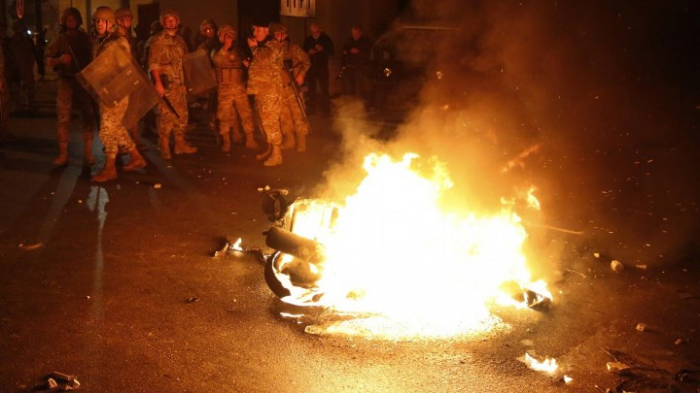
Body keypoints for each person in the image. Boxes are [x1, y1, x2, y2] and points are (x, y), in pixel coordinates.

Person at [90, 6, 146, 182]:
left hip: (116, 92)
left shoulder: (118, 42)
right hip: (105, 91)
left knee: (107, 129)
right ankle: (136, 157)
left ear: (110, 24)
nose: (99, 24)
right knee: (115, 128)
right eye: (97, 21)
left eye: (103, 21)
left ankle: (110, 169)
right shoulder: (101, 43)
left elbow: (124, 70)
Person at [45, 7, 95, 166]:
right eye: (68, 19)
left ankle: (88, 154)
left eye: (73, 19)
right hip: (66, 81)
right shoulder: (60, 40)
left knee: (87, 117)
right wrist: (60, 60)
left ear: (78, 20)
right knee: (63, 119)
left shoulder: (86, 39)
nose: (70, 21)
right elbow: (48, 61)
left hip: (83, 82)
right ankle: (63, 154)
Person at [148, 9, 196, 159]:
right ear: (164, 22)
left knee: (182, 116)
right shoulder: (158, 40)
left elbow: (186, 62)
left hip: (180, 86)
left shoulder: (180, 41)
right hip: (166, 85)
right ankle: (164, 146)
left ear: (177, 21)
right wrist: (158, 84)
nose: (171, 22)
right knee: (166, 116)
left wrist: (188, 82)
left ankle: (180, 144)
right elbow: (153, 64)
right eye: (168, 20)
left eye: (173, 20)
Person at [212, 24, 258, 153]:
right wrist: (226, 47)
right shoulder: (217, 50)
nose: (228, 38)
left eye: (230, 36)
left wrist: (247, 63)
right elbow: (216, 61)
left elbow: (249, 64)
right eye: (225, 36)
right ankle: (226, 141)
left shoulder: (240, 50)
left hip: (239, 87)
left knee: (246, 113)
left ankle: (250, 138)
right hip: (224, 89)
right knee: (224, 115)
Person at [247, 16, 284, 167]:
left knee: (271, 123)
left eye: (258, 29)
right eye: (254, 29)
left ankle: (277, 154)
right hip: (261, 91)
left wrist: (254, 48)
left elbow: (265, 59)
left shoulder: (273, 44)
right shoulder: (263, 45)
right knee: (264, 123)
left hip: (270, 92)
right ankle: (270, 149)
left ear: (267, 30)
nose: (255, 32)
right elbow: (261, 65)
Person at [271, 23, 310, 153]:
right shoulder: (272, 50)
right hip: (279, 88)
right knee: (284, 116)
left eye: (279, 34)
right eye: (275, 34)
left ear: (285, 35)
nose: (277, 36)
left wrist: (301, 75)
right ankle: (289, 139)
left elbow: (306, 61)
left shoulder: (294, 49)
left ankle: (301, 141)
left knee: (298, 114)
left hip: (293, 88)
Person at [114, 7, 144, 150]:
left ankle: (135, 141)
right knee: (121, 112)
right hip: (120, 79)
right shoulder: (115, 38)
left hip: (132, 76)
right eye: (127, 19)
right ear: (119, 20)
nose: (129, 21)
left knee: (133, 111)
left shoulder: (130, 37)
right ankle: (121, 143)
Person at [195, 19, 221, 139]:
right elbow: (199, 66)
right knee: (212, 107)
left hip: (222, 80)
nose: (210, 32)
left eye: (212, 29)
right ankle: (214, 128)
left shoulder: (220, 43)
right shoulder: (203, 47)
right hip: (210, 80)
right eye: (207, 30)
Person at [303, 22, 334, 116]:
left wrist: (323, 48)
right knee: (312, 90)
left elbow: (332, 51)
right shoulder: (308, 40)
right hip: (311, 69)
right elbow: (302, 51)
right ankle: (312, 110)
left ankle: (326, 110)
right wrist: (308, 52)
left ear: (319, 30)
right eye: (313, 32)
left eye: (316, 31)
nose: (315, 34)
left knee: (324, 89)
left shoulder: (326, 39)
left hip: (322, 68)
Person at [8, 19, 36, 112]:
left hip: (25, 65)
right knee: (16, 86)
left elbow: (32, 51)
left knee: (28, 86)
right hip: (17, 66)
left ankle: (29, 104)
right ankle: (18, 105)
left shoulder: (26, 39)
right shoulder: (13, 40)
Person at [341, 25, 372, 101]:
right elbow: (345, 49)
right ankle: (350, 105)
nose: (354, 35)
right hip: (349, 67)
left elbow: (368, 55)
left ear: (360, 33)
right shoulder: (349, 40)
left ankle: (359, 105)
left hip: (360, 67)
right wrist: (345, 52)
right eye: (353, 33)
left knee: (358, 87)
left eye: (356, 33)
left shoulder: (365, 42)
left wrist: (358, 52)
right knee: (348, 88)